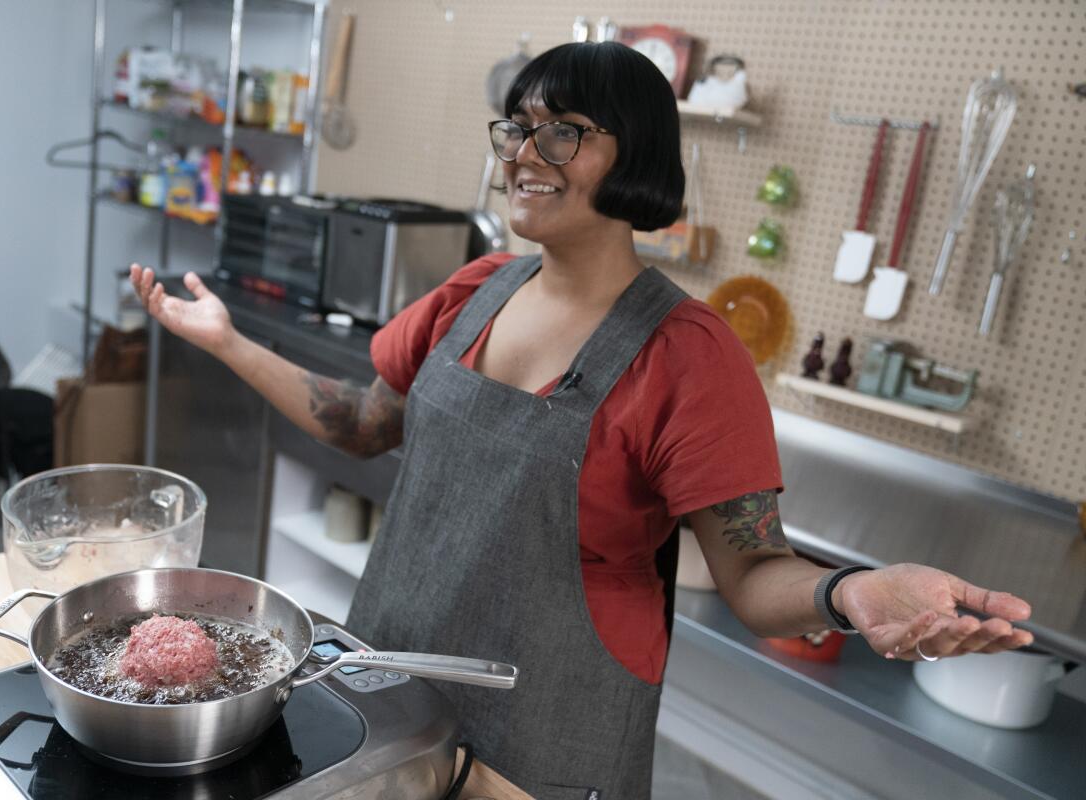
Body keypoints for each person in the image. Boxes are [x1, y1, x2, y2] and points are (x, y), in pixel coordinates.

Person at [131, 41, 1034, 800]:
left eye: (562, 132)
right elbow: (362, 423)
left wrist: (851, 594)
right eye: (518, 129)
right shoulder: (473, 293)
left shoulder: (689, 355)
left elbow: (753, 573)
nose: (525, 153)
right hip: (386, 697)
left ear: (633, 153)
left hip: (548, 746)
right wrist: (228, 340)